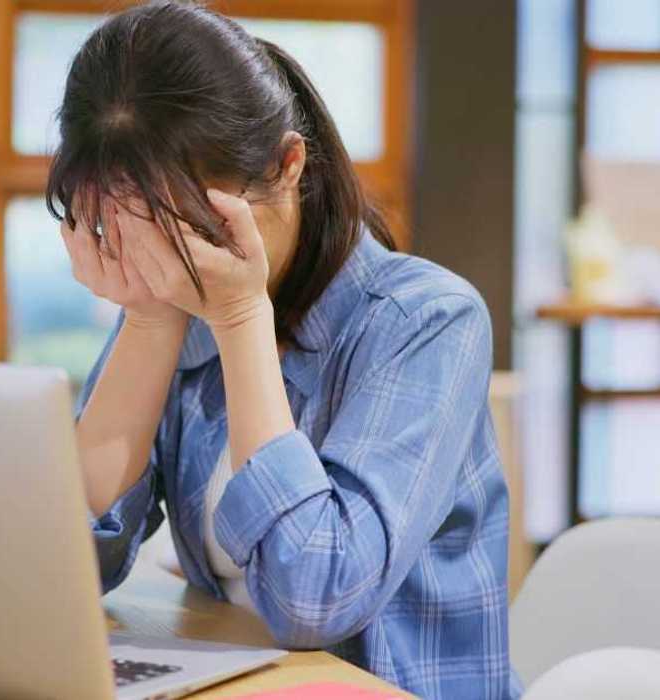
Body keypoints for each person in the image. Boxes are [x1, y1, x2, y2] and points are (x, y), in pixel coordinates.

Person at [49, 3, 518, 698]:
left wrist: (240, 317)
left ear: (287, 165)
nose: (165, 258)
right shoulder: (168, 298)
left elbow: (315, 598)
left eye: (190, 223)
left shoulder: (425, 321)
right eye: (124, 223)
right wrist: (147, 319)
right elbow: (69, 568)